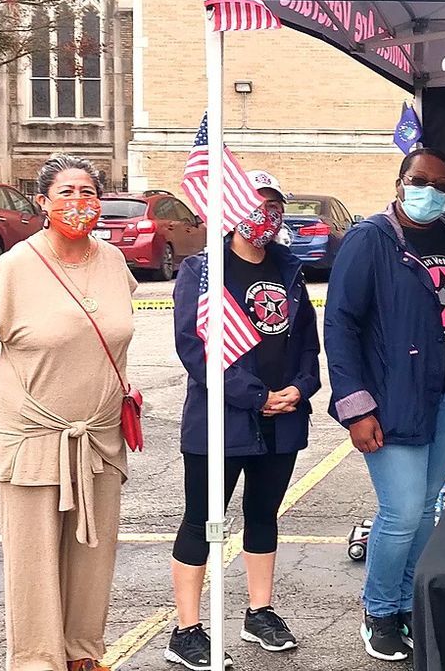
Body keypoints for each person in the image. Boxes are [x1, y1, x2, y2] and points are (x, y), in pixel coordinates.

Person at [0, 154, 137, 671]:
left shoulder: (113, 263)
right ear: (42, 202)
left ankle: (83, 656)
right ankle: (38, 662)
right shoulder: (14, 267)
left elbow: (114, 336)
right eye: (66, 193)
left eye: (88, 192)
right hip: (35, 437)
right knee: (34, 562)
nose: (78, 203)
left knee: (92, 557)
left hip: (99, 435)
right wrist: (23, 401)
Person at [164, 170, 318, 670]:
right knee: (201, 520)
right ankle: (185, 629)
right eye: (257, 204)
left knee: (264, 514)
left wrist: (301, 387)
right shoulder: (204, 270)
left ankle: (259, 611)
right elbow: (195, 347)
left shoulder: (289, 269)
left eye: (275, 206)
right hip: (221, 423)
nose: (265, 216)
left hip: (282, 421)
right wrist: (255, 396)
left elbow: (307, 345)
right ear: (233, 209)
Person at [328, 148, 445, 663]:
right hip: (393, 400)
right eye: (419, 180)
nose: (429, 191)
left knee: (429, 509)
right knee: (401, 510)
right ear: (399, 181)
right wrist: (356, 407)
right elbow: (341, 324)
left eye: (441, 184)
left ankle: (412, 603)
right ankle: (380, 610)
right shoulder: (372, 238)